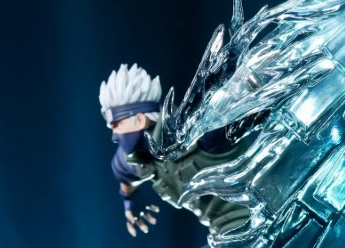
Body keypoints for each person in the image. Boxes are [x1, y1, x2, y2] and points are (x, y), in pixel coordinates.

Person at [98, 64, 251, 238]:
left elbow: (242, 101)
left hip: (258, 220)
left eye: (117, 125)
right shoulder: (136, 158)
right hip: (222, 233)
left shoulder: (200, 132)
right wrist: (130, 201)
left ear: (139, 120)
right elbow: (126, 176)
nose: (114, 136)